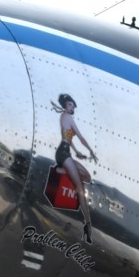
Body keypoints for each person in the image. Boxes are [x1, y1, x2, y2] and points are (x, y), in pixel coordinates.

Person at [54, 93, 97, 243]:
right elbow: (80, 137)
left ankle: (63, 170)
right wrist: (91, 151)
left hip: (65, 152)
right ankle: (88, 223)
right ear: (65, 105)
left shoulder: (63, 117)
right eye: (70, 105)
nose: (73, 107)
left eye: (73, 105)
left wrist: (78, 152)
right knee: (80, 187)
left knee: (86, 176)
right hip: (63, 154)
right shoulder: (68, 118)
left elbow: (67, 138)